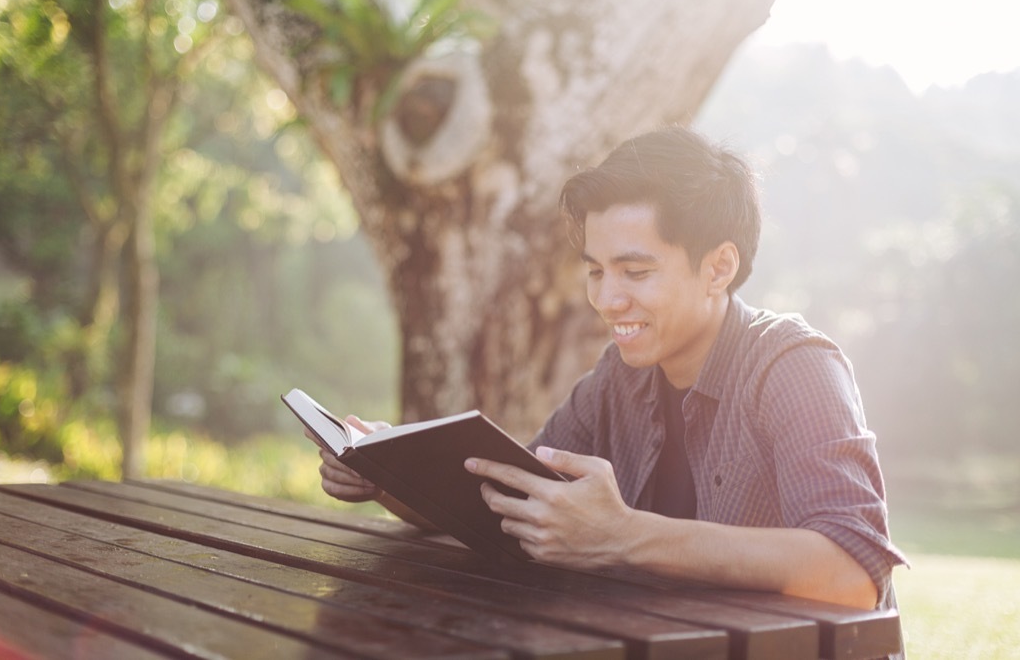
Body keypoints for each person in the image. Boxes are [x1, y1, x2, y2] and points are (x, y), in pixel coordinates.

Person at [315, 126, 907, 624]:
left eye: (636, 271)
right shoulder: (620, 378)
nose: (608, 299)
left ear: (719, 267)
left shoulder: (793, 366)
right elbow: (510, 502)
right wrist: (386, 470)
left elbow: (852, 575)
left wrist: (625, 536)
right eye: (596, 271)